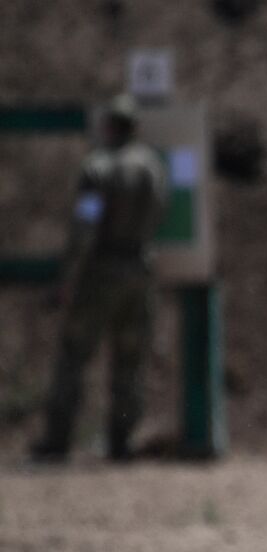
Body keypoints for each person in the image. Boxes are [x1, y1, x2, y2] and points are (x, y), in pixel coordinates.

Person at [31, 93, 168, 462]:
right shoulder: (152, 169)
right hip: (138, 272)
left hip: (101, 273)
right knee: (129, 363)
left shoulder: (98, 168)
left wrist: (65, 280)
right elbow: (158, 217)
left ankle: (58, 439)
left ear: (109, 126)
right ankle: (121, 442)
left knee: (74, 357)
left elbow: (84, 229)